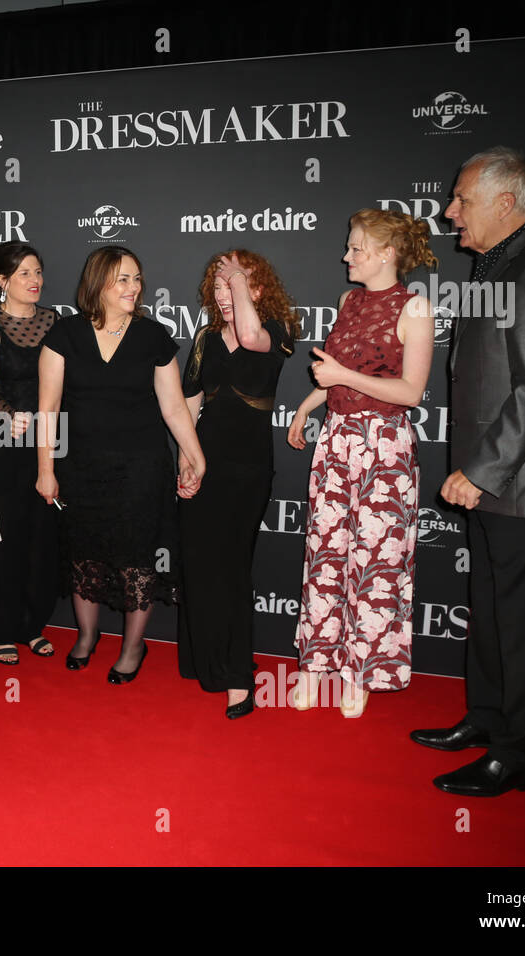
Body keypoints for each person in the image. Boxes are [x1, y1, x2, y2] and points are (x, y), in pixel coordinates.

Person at [412, 147, 525, 797]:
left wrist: (482, 470)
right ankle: (487, 720)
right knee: (490, 613)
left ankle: (517, 756)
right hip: (500, 486)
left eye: (461, 199)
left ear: (505, 201)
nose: (449, 211)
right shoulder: (501, 265)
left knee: (522, 623)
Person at [287, 210, 436, 718]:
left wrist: (340, 376)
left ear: (387, 253)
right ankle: (315, 663)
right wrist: (309, 407)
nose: (346, 256)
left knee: (376, 562)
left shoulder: (416, 309)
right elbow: (333, 376)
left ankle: (361, 672)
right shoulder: (348, 301)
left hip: (385, 446)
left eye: (355, 248)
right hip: (337, 439)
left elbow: (410, 392)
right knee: (326, 552)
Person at [37, 246, 205, 683]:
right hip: (82, 467)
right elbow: (48, 409)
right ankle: (88, 636)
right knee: (84, 556)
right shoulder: (64, 335)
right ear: (99, 284)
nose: (134, 287)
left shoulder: (153, 337)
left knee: (137, 558)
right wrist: (46, 469)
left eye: (136, 279)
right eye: (123, 279)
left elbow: (173, 408)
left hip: (141, 468)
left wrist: (195, 455)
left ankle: (133, 647)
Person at [178, 250, 298, 720]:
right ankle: (204, 661)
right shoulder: (206, 337)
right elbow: (189, 404)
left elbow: (249, 336)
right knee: (197, 562)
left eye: (236, 285)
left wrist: (238, 281)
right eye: (219, 286)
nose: (224, 294)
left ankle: (238, 677)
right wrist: (187, 462)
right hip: (204, 459)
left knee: (230, 569)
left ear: (258, 290)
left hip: (246, 469)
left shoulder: (279, 334)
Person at [0, 241, 60, 664]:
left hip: (51, 437)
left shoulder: (55, 322)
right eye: (24, 273)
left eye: (38, 271)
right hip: (3, 441)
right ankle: (1, 627)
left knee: (41, 537)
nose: (35, 280)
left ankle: (33, 625)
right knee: (1, 538)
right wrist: (12, 416)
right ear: (3, 281)